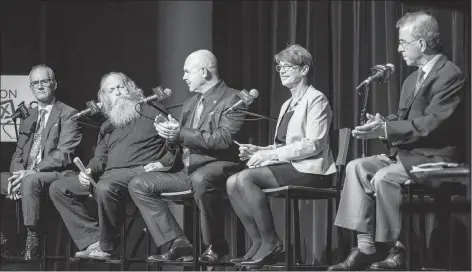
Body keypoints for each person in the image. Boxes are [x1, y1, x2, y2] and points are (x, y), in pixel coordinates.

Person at [328, 11, 465, 271]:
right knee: (357, 167)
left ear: (421, 44)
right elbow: (404, 119)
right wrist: (382, 123)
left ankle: (396, 249)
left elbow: (431, 124)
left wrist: (387, 128)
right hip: (407, 155)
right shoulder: (411, 79)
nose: (399, 49)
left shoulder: (450, 75)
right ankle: (366, 246)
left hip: (434, 157)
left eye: (403, 42)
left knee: (384, 177)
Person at [128, 49, 247, 264]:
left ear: (204, 72)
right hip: (187, 169)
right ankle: (177, 242)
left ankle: (216, 245)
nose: (183, 77)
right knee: (139, 184)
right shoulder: (191, 102)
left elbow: (223, 139)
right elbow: (181, 143)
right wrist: (170, 135)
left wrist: (180, 132)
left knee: (201, 178)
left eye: (187, 72)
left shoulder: (234, 98)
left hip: (218, 165)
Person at [226, 44, 336, 268]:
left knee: (246, 178)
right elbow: (282, 145)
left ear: (304, 70)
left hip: (311, 169)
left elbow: (313, 144)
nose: (282, 71)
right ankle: (258, 242)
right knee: (231, 182)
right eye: (279, 67)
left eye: (288, 66)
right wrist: (258, 150)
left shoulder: (317, 99)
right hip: (291, 165)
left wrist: (272, 154)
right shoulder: (287, 104)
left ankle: (272, 242)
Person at [49, 72, 177, 260]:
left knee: (105, 187)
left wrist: (161, 163)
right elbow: (100, 158)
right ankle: (92, 240)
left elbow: (173, 146)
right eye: (111, 90)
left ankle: (107, 247)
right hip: (108, 176)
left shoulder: (152, 109)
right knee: (59, 188)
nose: (117, 92)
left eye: (121, 87)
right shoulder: (108, 125)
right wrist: (89, 171)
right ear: (104, 97)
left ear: (131, 88)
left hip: (137, 173)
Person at [0, 65, 82, 260]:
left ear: (53, 84)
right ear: (31, 87)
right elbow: (18, 154)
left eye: (43, 81)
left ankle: (32, 240)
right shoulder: (29, 117)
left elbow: (65, 154)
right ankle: (3, 243)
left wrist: (32, 171)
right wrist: (17, 174)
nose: (39, 86)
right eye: (35, 83)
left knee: (31, 181)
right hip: (27, 173)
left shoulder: (69, 114)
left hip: (57, 173)